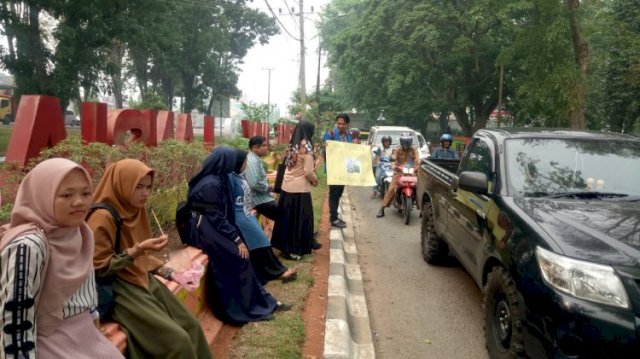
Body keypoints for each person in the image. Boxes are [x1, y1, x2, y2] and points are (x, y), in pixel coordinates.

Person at [87, 159, 211, 359]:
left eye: (148, 187)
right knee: (177, 342)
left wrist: (167, 271)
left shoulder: (135, 209)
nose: (145, 193)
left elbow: (142, 256)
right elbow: (99, 267)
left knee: (192, 326)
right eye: (138, 187)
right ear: (122, 184)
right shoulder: (102, 217)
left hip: (141, 277)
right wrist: (136, 251)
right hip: (121, 287)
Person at [0, 158, 123, 359]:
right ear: (43, 196)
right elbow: (14, 323)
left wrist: (99, 342)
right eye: (66, 195)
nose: (79, 202)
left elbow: (89, 300)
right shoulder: (28, 246)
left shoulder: (81, 233)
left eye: (85, 193)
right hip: (49, 342)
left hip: (86, 338)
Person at [188, 147, 288, 324]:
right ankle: (239, 308)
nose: (243, 164)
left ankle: (260, 301)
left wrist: (237, 237)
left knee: (244, 256)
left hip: (216, 226)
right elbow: (215, 217)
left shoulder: (222, 178)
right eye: (242, 161)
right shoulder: (210, 184)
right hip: (205, 229)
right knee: (236, 256)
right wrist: (235, 239)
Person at [229, 148, 298, 284]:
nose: (246, 165)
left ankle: (277, 270)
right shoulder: (230, 179)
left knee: (262, 241)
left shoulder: (237, 176)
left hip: (246, 213)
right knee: (259, 241)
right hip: (240, 216)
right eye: (244, 162)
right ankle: (277, 271)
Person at [271, 120, 319, 260]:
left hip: (287, 187)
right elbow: (308, 172)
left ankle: (283, 247)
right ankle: (294, 249)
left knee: (286, 219)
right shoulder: (307, 149)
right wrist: (315, 180)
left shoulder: (292, 146)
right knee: (299, 220)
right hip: (300, 190)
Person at [377, 132, 420, 218]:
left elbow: (417, 160)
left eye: (408, 142)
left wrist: (418, 166)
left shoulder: (413, 150)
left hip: (411, 172)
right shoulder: (397, 150)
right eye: (404, 141)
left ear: (410, 142)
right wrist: (393, 166)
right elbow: (393, 159)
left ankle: (422, 210)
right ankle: (382, 209)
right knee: (391, 189)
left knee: (420, 187)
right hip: (399, 172)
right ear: (401, 141)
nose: (406, 144)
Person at [323, 113, 352, 228]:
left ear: (347, 124)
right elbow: (324, 152)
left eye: (343, 124)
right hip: (333, 169)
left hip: (344, 170)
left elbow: (353, 151)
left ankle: (335, 216)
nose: (340, 126)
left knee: (339, 192)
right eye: (338, 123)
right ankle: (333, 219)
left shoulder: (349, 136)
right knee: (334, 193)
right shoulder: (329, 135)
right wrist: (326, 148)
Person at [245, 135, 278, 221]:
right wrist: (269, 187)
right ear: (255, 148)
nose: (267, 148)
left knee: (285, 212)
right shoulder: (252, 161)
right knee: (284, 214)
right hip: (258, 199)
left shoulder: (255, 159)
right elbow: (254, 184)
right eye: (264, 145)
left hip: (261, 197)